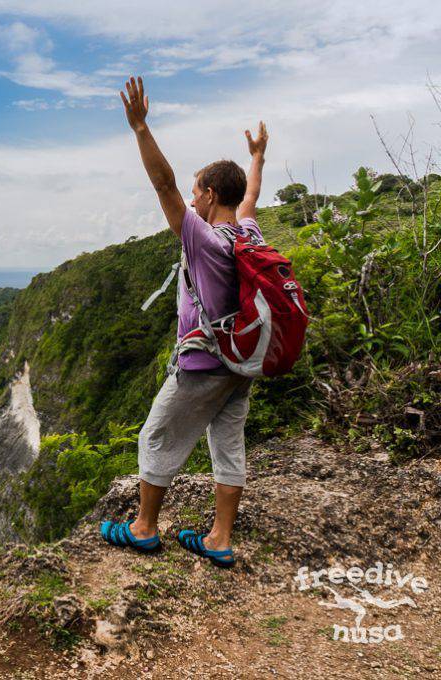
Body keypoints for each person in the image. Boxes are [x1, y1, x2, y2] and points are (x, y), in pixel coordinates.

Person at [99, 76, 268, 568]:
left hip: (204, 363)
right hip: (242, 363)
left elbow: (162, 184)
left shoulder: (206, 242)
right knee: (227, 444)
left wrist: (140, 128)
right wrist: (257, 156)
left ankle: (145, 528)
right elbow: (251, 196)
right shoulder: (247, 231)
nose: (190, 201)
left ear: (210, 195)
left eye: (198, 194)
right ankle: (219, 538)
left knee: (153, 435)